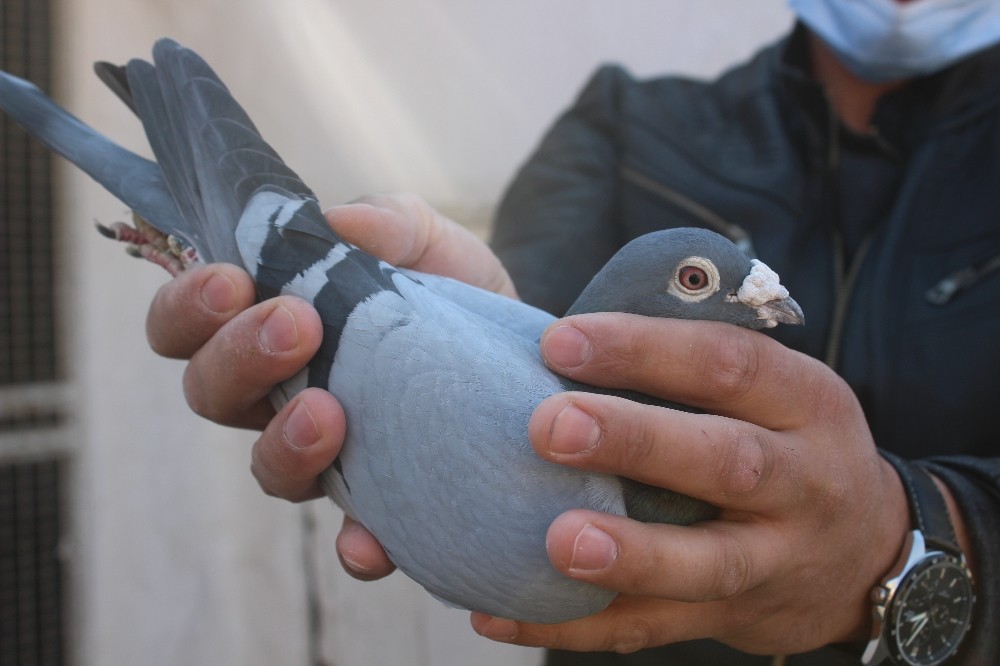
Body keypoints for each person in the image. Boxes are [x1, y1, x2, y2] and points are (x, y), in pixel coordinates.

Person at [144, 1, 1000, 663]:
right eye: (698, 280)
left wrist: (914, 541)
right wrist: (471, 359)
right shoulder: (624, 125)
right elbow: (541, 340)